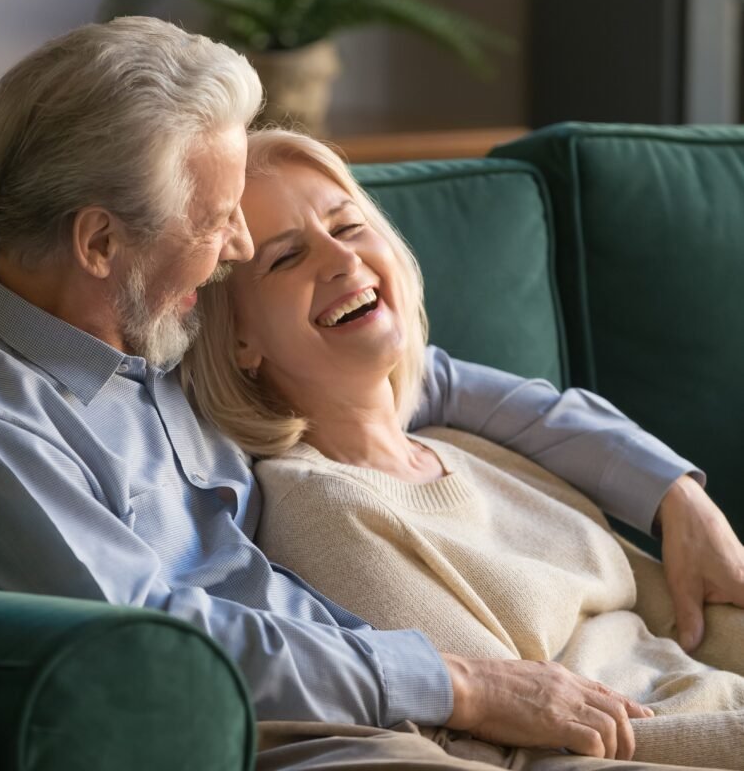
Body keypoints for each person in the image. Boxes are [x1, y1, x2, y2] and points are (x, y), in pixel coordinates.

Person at [0, 17, 740, 769]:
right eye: (215, 219)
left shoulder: (154, 315)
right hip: (268, 730)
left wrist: (670, 492)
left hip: (379, 693)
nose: (234, 245)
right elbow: (160, 640)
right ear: (100, 243)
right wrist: (462, 687)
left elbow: (430, 378)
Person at [182, 128, 744, 769]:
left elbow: (692, 620)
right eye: (286, 258)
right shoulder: (318, 505)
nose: (341, 261)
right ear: (238, 342)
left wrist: (677, 496)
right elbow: (519, 738)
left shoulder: (466, 442)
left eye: (349, 226)